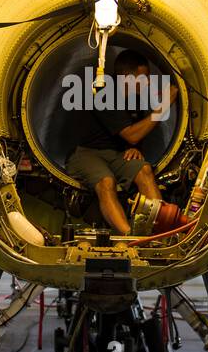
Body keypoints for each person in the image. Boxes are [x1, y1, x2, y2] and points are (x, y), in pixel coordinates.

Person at [63, 48, 178, 235]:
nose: (147, 81)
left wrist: (135, 148)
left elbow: (135, 135)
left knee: (144, 170)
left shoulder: (137, 99)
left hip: (116, 155)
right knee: (106, 181)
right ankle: (130, 237)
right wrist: (164, 106)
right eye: (143, 77)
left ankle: (159, 233)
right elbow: (132, 134)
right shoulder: (103, 94)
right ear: (126, 77)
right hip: (86, 153)